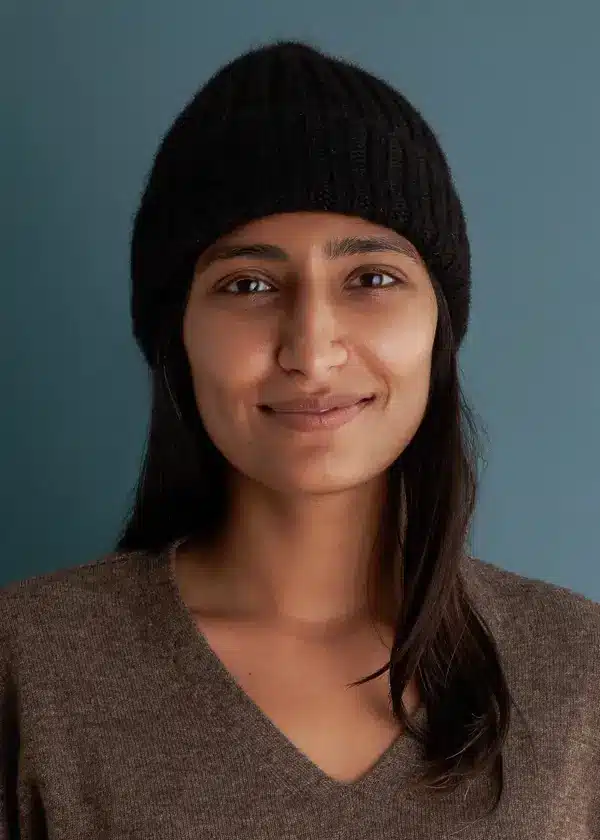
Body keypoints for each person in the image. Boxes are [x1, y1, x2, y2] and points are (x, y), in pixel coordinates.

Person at [1, 39, 599, 840]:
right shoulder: (28, 666)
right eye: (247, 285)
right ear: (176, 334)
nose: (312, 351)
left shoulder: (580, 671)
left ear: (438, 328)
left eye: (372, 279)